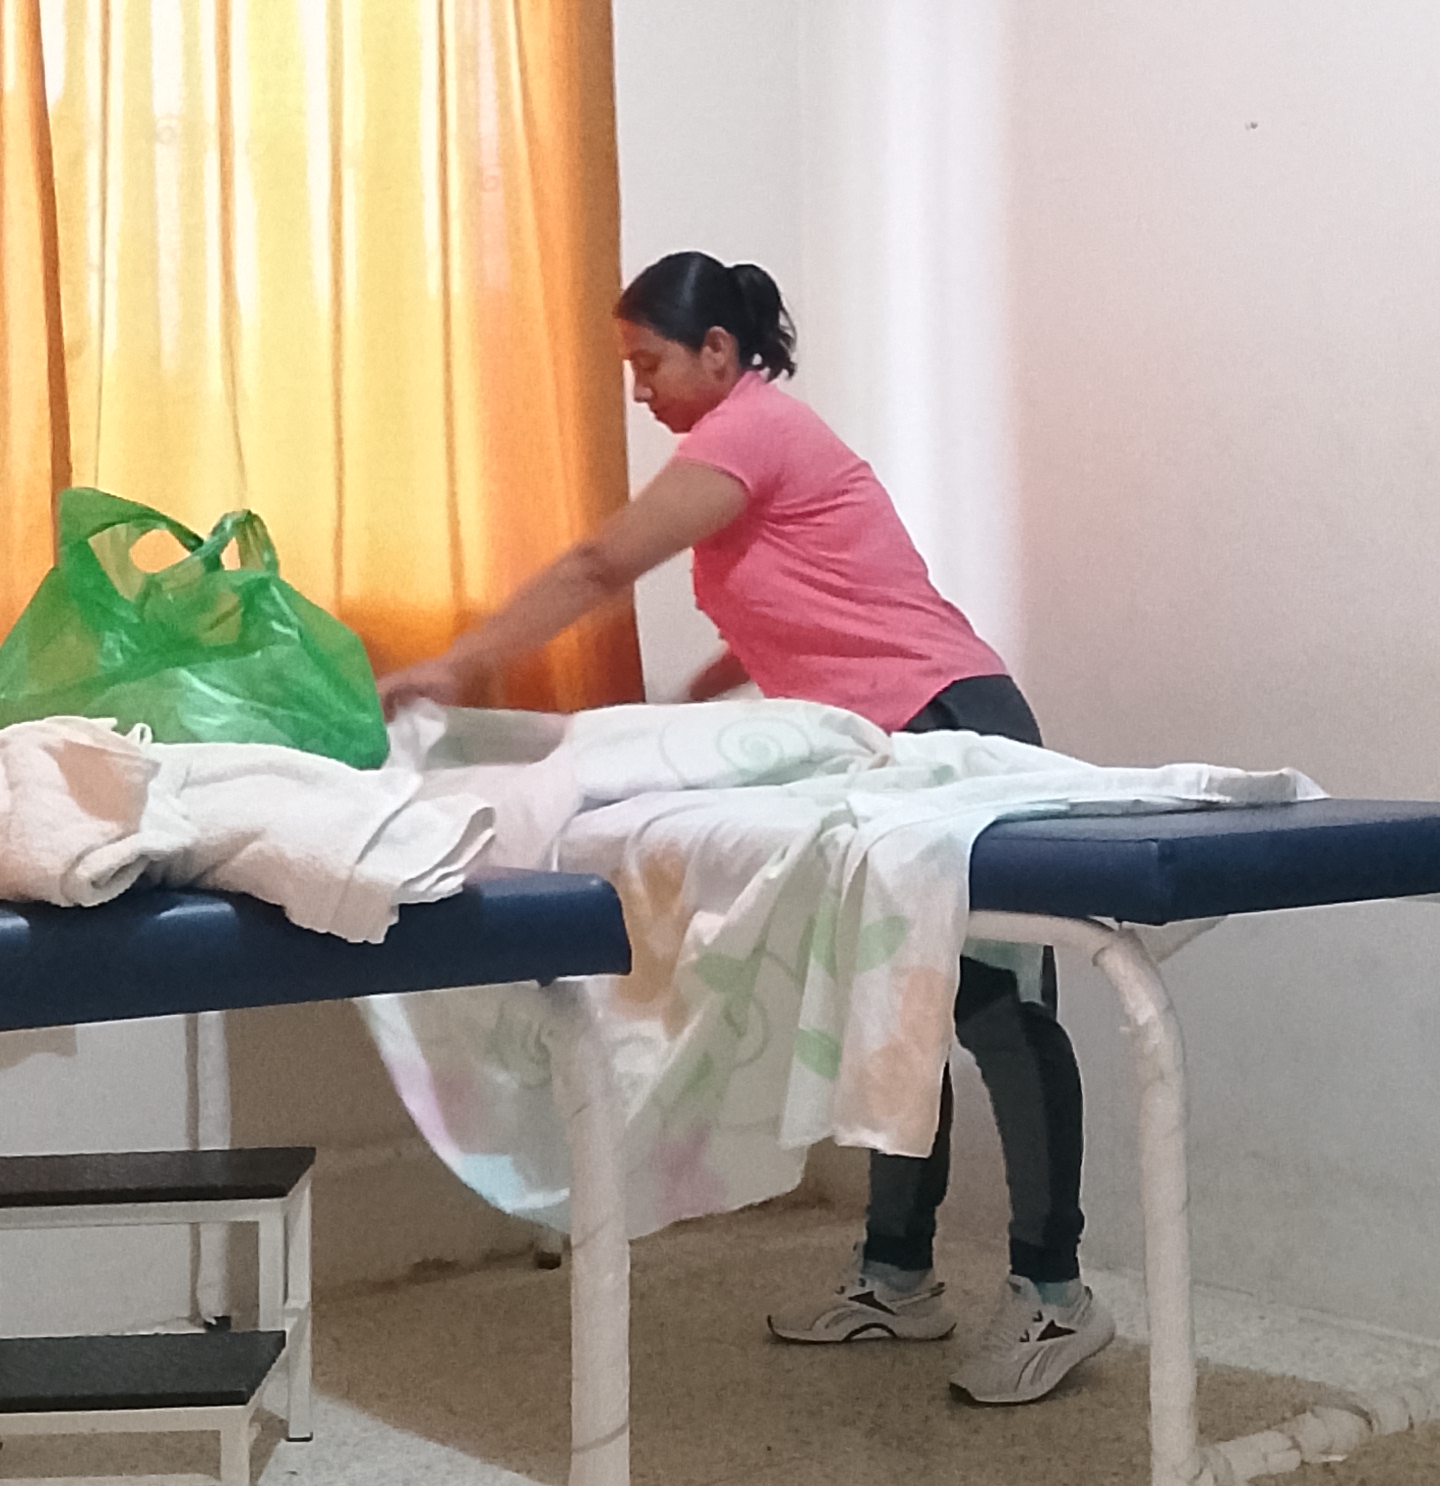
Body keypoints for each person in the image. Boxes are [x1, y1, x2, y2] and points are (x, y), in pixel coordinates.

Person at [379, 251, 1115, 1407]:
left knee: (997, 1010)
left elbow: (600, 562)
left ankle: (1057, 1290)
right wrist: (695, 701)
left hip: (951, 722)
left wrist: (458, 661)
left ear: (718, 351)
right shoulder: (754, 444)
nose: (639, 388)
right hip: (871, 747)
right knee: (894, 998)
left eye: (649, 362)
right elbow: (809, 600)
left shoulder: (752, 431)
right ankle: (897, 1276)